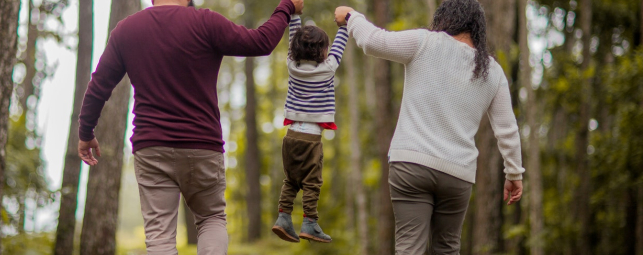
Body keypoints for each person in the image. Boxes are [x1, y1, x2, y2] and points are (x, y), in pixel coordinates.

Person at [76, 0, 304, 254]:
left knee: (159, 236)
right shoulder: (205, 22)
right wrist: (287, 6)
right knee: (211, 219)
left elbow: (99, 86)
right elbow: (261, 42)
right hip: (202, 145)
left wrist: (86, 133)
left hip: (151, 147)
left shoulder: (127, 30)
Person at [334, 0, 525, 254]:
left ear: (445, 19)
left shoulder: (425, 42)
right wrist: (514, 174)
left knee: (409, 248)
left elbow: (372, 41)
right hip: (457, 173)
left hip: (411, 165)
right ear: (478, 28)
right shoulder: (492, 71)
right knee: (447, 249)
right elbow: (507, 129)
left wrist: (351, 16)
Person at [270, 13, 349, 244]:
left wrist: (295, 14)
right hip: (311, 139)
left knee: (291, 180)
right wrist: (343, 25)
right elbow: (340, 45)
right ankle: (310, 222)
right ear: (322, 51)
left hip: (291, 136)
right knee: (312, 182)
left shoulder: (291, 65)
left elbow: (292, 37)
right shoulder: (328, 68)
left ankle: (283, 217)